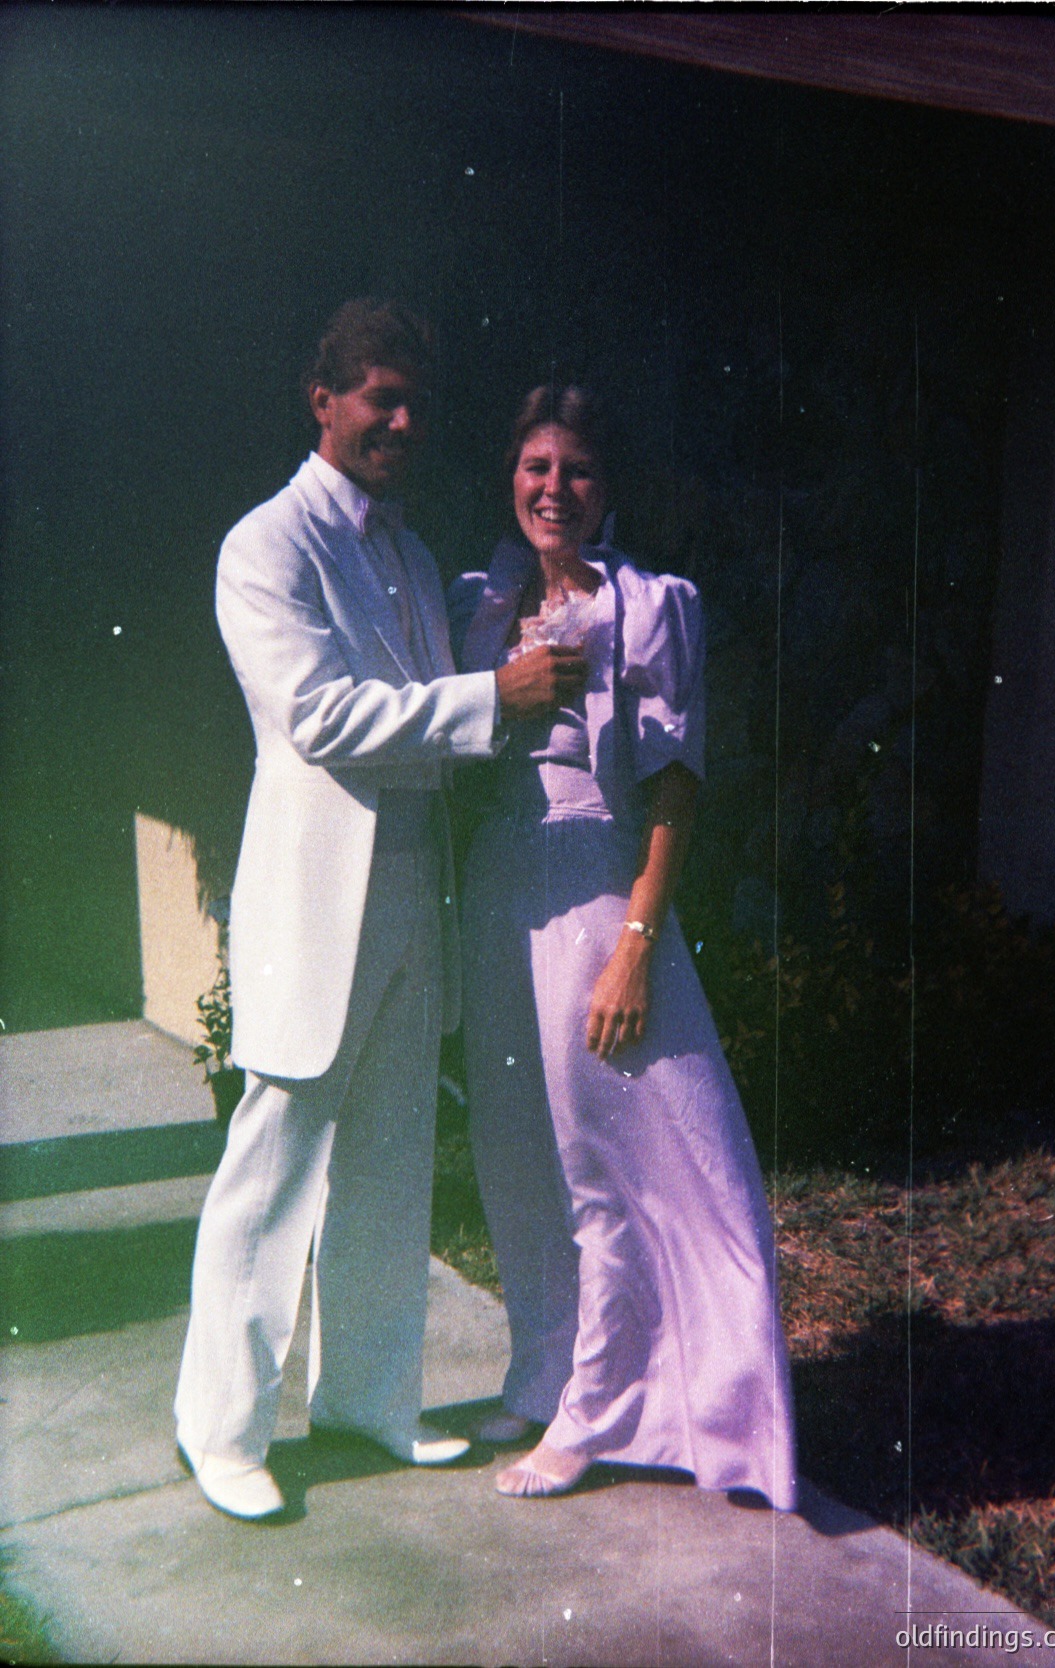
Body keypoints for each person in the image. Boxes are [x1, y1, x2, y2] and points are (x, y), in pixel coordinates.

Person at [174, 303, 586, 1520]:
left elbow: (443, 708)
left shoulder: (405, 556)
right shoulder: (266, 546)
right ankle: (223, 1429)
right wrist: (490, 697)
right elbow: (323, 718)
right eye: (378, 398)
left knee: (394, 1162)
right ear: (324, 399)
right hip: (316, 901)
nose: (401, 421)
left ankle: (366, 1398)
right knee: (274, 1164)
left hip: (414, 889)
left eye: (414, 403)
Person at [449, 387, 797, 1505]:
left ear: (611, 491)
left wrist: (636, 944)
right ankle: (545, 1367)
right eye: (535, 465)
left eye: (578, 470)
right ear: (510, 475)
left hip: (593, 883)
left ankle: (595, 1417)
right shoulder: (480, 598)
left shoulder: (646, 608)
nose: (554, 488)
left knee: (600, 1157)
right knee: (514, 1151)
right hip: (494, 889)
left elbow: (674, 790)